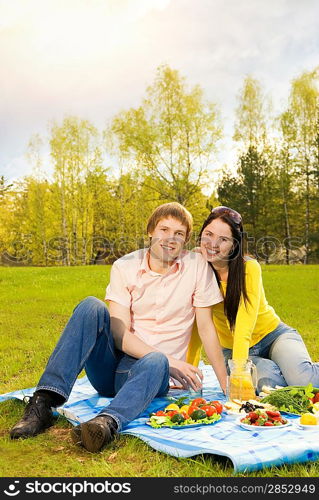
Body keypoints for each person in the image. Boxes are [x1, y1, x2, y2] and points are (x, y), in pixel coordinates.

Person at [10, 202, 227, 452]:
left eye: (179, 233)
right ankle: (43, 403)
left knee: (156, 360)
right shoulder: (125, 266)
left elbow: (207, 328)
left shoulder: (197, 266)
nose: (170, 238)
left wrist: (225, 383)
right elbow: (118, 333)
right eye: (164, 230)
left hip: (151, 373)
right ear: (150, 231)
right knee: (91, 306)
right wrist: (172, 360)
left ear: (187, 239)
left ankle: (105, 423)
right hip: (112, 368)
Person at [193, 205, 319, 393]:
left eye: (224, 239)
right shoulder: (196, 267)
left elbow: (244, 324)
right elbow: (196, 324)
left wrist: (238, 370)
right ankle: (281, 368)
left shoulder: (248, 268)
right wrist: (190, 369)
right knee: (269, 386)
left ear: (234, 245)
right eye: (208, 234)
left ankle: (294, 368)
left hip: (273, 335)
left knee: (304, 382)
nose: (213, 244)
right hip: (232, 349)